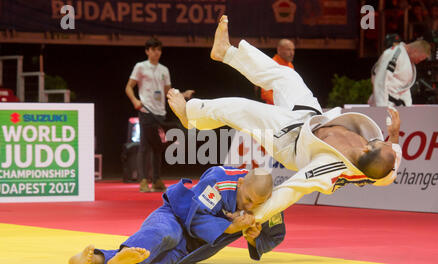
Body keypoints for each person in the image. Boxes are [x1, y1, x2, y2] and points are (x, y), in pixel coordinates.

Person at [167, 15, 403, 224]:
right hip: (311, 116)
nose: (381, 140)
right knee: (286, 75)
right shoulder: (379, 163)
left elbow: (291, 190)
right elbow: (388, 173)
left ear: (365, 152)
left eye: (379, 143)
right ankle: (226, 52)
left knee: (242, 109)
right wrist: (393, 135)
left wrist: (256, 217)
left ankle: (191, 115)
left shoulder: (330, 169)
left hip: (289, 141)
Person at [68, 166, 285, 264]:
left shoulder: (266, 203)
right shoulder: (219, 180)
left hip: (194, 249)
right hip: (177, 216)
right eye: (247, 199)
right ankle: (115, 258)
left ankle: (97, 260)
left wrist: (254, 238)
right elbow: (196, 217)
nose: (249, 207)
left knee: (155, 259)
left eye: (256, 204)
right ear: (240, 183)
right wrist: (229, 228)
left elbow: (275, 234)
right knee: (163, 234)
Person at [125, 37, 194, 193]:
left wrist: (182, 94)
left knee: (157, 147)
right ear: (147, 51)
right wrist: (135, 101)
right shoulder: (140, 67)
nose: (157, 53)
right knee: (144, 146)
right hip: (145, 110)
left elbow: (167, 91)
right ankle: (143, 180)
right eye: (154, 49)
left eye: (159, 50)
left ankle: (156, 180)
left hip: (160, 112)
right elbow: (128, 87)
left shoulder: (164, 70)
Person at [368, 38, 431, 107]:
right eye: (419, 59)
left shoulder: (406, 58)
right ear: (415, 51)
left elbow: (403, 87)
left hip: (397, 104)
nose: (418, 62)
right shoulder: (395, 53)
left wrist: (408, 105)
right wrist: (381, 107)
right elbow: (381, 80)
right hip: (386, 103)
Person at [260, 39, 295, 105]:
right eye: (288, 49)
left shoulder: (290, 66)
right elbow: (265, 92)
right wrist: (280, 104)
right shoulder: (271, 65)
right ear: (279, 50)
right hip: (275, 107)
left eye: (293, 50)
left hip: (289, 106)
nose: (292, 53)